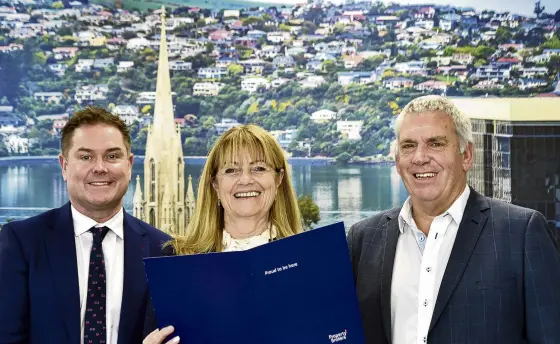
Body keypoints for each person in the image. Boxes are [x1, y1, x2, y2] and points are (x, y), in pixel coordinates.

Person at [347, 95, 560, 344]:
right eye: (408, 146)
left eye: (435, 144)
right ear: (397, 160)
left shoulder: (521, 233)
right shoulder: (364, 239)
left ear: (467, 155)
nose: (420, 157)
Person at [0, 107, 173, 344]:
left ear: (130, 165)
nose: (100, 167)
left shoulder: (163, 250)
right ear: (64, 165)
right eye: (85, 157)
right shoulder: (22, 243)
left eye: (112, 156)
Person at [143, 124, 303, 344]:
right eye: (231, 170)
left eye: (258, 168)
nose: (245, 180)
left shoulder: (307, 260)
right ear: (215, 183)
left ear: (279, 178)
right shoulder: (174, 260)